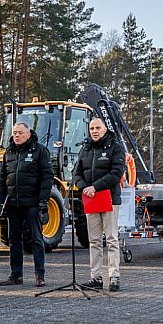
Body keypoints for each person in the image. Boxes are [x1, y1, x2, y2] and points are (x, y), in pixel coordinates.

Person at [0, 122, 54, 287]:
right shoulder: (8, 152)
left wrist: (43, 200)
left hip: (32, 203)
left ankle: (40, 276)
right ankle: (16, 275)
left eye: (20, 132)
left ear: (29, 134)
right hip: (13, 204)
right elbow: (3, 179)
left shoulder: (40, 151)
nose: (17, 135)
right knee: (14, 240)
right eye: (15, 132)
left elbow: (47, 177)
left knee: (36, 239)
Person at [72, 117, 125, 292]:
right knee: (94, 240)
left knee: (111, 239)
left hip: (109, 198)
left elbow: (117, 172)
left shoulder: (115, 147)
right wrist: (84, 187)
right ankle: (95, 277)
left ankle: (114, 277)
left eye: (98, 128)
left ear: (105, 129)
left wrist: (95, 187)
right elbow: (76, 173)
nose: (94, 131)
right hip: (90, 199)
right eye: (92, 128)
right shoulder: (85, 148)